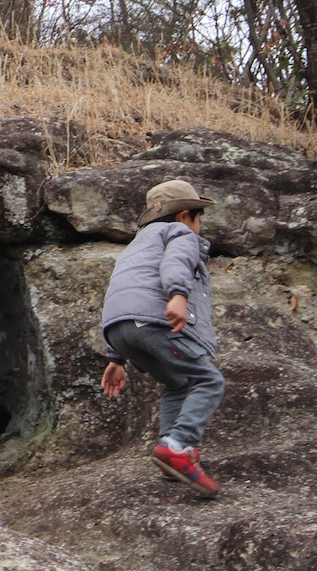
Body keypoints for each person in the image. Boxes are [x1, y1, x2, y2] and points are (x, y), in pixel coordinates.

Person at [100, 179, 226, 497]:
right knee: (208, 380)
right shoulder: (180, 233)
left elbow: (124, 293)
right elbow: (177, 262)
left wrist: (115, 357)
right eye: (200, 219)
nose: (199, 227)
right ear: (185, 216)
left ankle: (169, 456)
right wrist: (178, 295)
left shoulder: (136, 245)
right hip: (153, 322)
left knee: (178, 383)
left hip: (120, 329)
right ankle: (179, 446)